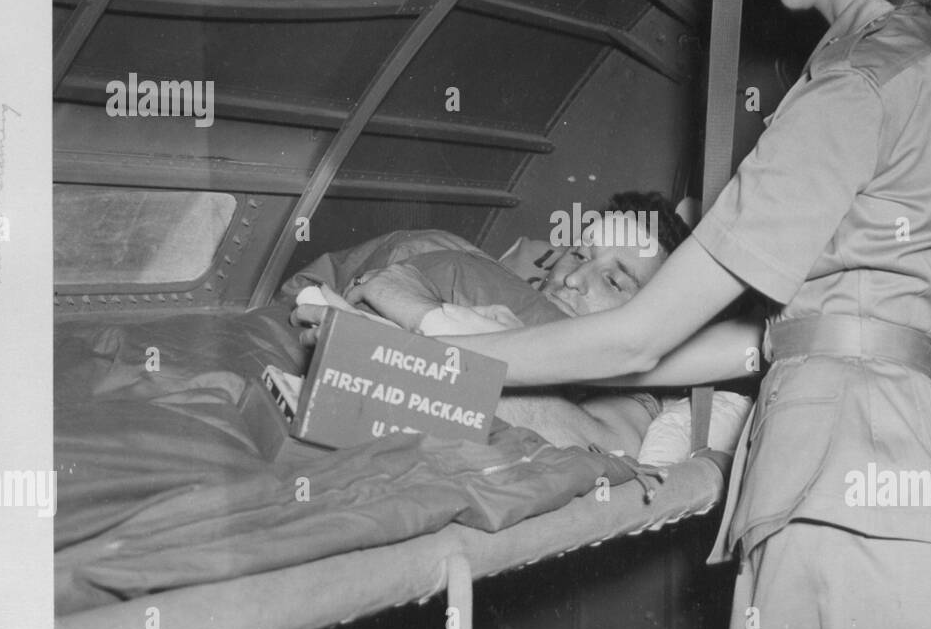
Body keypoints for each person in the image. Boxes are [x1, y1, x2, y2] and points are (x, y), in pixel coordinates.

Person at [340, 0, 931, 629]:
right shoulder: (929, 70)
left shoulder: (854, 90)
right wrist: (518, 368)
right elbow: (757, 347)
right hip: (899, 454)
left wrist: (438, 355)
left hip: (833, 471)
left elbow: (638, 339)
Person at [293, 191, 691, 456]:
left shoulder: (638, 387)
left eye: (613, 280)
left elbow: (602, 447)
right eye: (580, 255)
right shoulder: (498, 289)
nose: (574, 279)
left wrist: (405, 339)